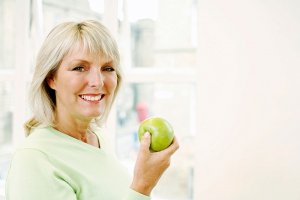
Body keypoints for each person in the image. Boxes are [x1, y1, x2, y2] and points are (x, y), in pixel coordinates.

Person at [5, 20, 179, 200]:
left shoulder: (98, 137)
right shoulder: (34, 160)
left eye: (108, 68)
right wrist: (143, 185)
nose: (97, 82)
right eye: (79, 68)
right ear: (51, 78)